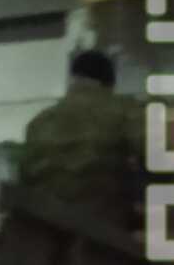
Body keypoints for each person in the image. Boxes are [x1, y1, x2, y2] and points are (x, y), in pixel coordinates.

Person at [18, 49, 144, 231]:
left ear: (73, 79)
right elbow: (155, 154)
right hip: (104, 227)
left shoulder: (38, 122)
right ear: (110, 82)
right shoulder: (124, 110)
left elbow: (25, 179)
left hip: (47, 228)